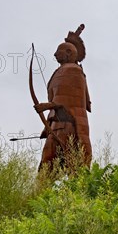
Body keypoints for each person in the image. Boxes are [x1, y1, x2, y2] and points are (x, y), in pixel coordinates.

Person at [35, 25, 92, 171]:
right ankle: (42, 193)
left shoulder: (74, 71)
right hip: (55, 127)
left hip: (69, 127)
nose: (54, 54)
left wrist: (47, 106)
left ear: (68, 52)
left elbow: (73, 101)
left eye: (58, 51)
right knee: (46, 168)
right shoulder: (60, 71)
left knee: (73, 168)